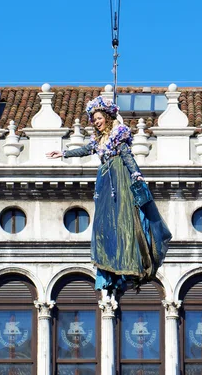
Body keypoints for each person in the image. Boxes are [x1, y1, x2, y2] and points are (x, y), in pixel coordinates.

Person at [47, 95, 171, 294]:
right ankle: (110, 265)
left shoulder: (117, 134)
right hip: (105, 180)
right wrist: (64, 154)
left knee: (123, 219)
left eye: (99, 117)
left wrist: (136, 174)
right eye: (94, 119)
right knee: (105, 224)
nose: (96, 121)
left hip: (118, 177)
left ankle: (128, 260)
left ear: (107, 116)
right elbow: (86, 150)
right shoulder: (98, 138)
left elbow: (127, 156)